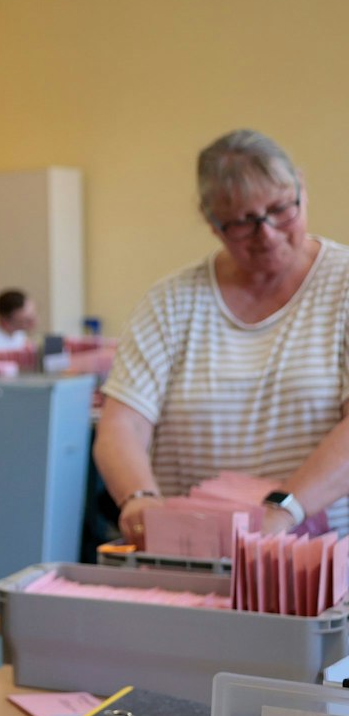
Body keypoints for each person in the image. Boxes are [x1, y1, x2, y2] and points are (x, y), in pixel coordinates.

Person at [96, 129, 349, 546]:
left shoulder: (341, 285)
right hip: (194, 550)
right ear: (212, 222)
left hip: (320, 560)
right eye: (243, 222)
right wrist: (139, 499)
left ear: (301, 187)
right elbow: (122, 422)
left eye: (281, 209)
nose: (266, 233)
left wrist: (283, 508)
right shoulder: (171, 302)